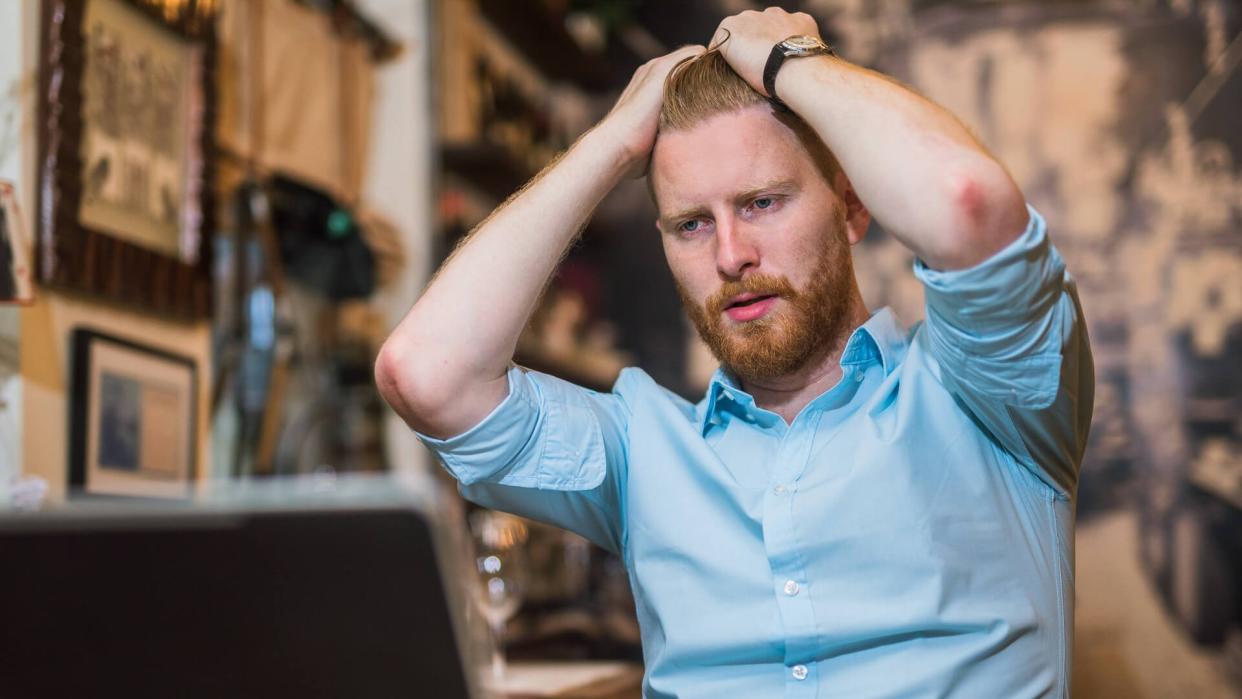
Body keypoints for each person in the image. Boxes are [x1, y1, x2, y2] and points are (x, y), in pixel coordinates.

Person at [376, 8, 1093, 698]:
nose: (729, 254)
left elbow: (966, 203)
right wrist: (613, 144)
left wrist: (793, 65)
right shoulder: (643, 452)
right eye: (690, 223)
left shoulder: (989, 399)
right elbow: (427, 373)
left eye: (762, 203)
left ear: (851, 206)